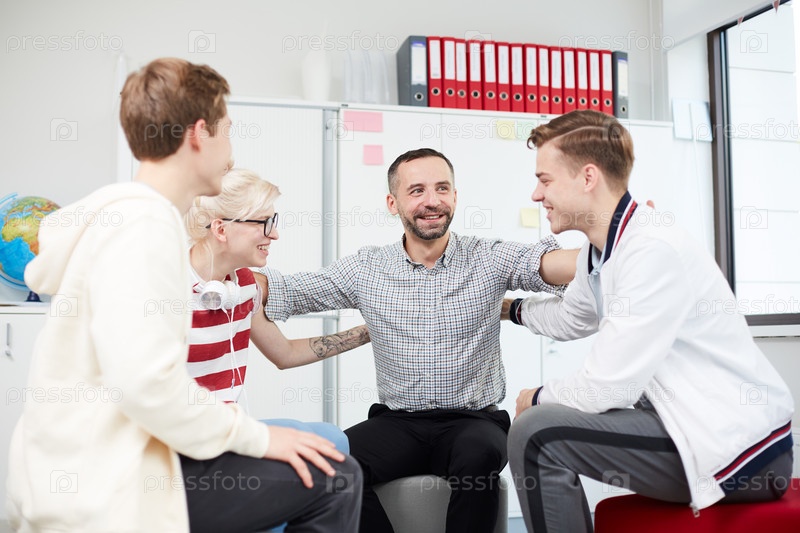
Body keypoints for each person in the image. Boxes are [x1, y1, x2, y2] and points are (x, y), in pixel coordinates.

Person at [7, 57, 361, 533]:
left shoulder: (125, 218)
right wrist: (257, 438)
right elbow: (146, 384)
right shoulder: (144, 226)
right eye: (227, 132)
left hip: (103, 464)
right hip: (109, 486)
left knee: (323, 450)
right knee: (337, 477)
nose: (230, 153)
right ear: (198, 134)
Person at [504, 109, 794, 533]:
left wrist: (537, 397)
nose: (536, 194)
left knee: (535, 434)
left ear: (588, 177)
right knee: (538, 429)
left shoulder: (651, 249)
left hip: (742, 452)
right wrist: (509, 308)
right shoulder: (602, 249)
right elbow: (570, 318)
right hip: (681, 424)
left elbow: (607, 387)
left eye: (545, 180)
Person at [261, 147, 578, 532]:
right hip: (398, 423)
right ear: (392, 203)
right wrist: (227, 272)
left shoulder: (487, 258)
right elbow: (291, 291)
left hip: (473, 421)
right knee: (330, 466)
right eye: (417, 191)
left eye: (442, 188)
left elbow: (550, 265)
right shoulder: (367, 268)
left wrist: (617, 248)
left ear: (455, 197)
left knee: (477, 457)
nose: (432, 201)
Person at [184, 167, 371, 453]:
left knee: (333, 438)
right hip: (187, 438)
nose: (274, 234)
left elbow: (285, 353)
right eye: (264, 222)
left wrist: (370, 332)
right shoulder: (166, 288)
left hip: (230, 428)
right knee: (324, 454)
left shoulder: (242, 284)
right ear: (221, 229)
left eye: (274, 221)